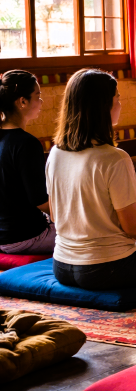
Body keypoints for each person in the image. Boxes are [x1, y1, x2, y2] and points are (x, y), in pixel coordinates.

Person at [46, 69, 136, 290]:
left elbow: (56, 215)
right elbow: (134, 228)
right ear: (103, 107)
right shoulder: (114, 158)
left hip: (62, 267)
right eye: (117, 99)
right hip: (108, 269)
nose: (120, 105)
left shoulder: (56, 153)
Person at [0, 70, 55, 255]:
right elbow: (40, 201)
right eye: (38, 96)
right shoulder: (26, 144)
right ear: (22, 102)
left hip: (3, 234)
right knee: (96, 233)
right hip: (25, 237)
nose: (41, 102)